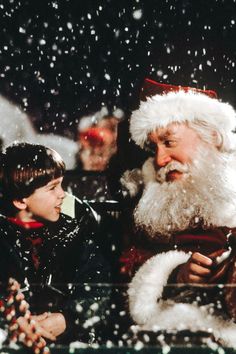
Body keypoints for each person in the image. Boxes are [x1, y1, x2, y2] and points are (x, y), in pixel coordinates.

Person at [122, 79, 236, 346]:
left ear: (211, 137)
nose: (160, 158)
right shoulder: (148, 205)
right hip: (167, 338)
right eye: (154, 147)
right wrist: (175, 275)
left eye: (169, 142)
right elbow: (127, 268)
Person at [0, 142, 111, 346]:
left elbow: (100, 291)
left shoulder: (76, 234)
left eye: (61, 184)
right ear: (20, 200)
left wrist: (67, 319)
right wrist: (10, 323)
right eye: (52, 188)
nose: (63, 194)